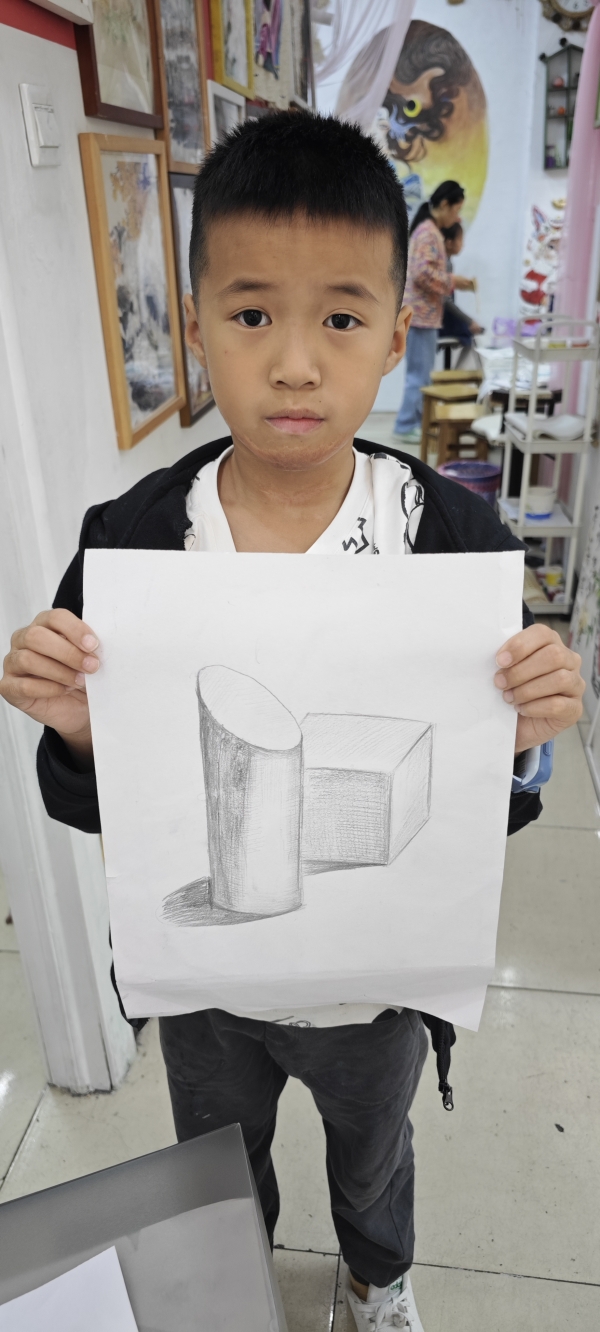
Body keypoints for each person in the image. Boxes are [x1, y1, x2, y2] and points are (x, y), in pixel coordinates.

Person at [0, 113, 584, 1332]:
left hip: (377, 988)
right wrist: (77, 729)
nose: (297, 365)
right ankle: (233, 1291)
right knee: (220, 1166)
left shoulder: (455, 542)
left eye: (342, 319)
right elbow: (101, 800)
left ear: (397, 331)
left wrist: (526, 734)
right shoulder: (131, 543)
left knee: (373, 1157)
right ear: (196, 322)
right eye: (254, 314)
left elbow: (485, 802)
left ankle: (377, 1278)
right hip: (208, 985)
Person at [393, 180, 475, 444]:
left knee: (421, 374)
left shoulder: (429, 231)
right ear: (444, 205)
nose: (457, 217)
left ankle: (415, 422)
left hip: (423, 316)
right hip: (420, 316)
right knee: (419, 375)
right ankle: (406, 424)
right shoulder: (428, 233)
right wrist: (453, 281)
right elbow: (421, 273)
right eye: (456, 210)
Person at [440, 221, 484, 350]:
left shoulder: (446, 261)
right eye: (460, 240)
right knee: (471, 331)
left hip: (441, 316)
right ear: (449, 243)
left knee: (471, 329)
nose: (463, 244)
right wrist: (469, 321)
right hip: (441, 319)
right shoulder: (445, 263)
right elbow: (445, 300)